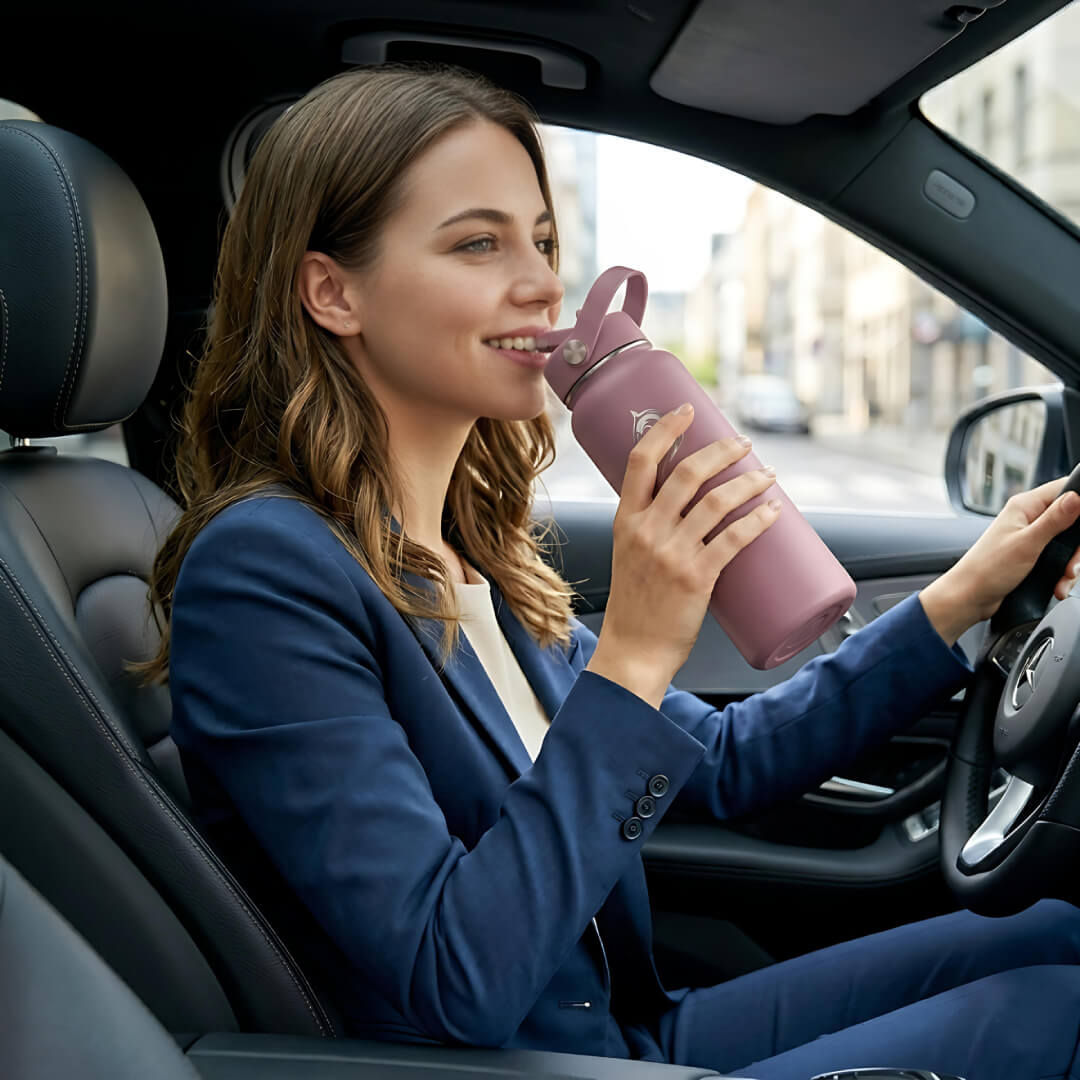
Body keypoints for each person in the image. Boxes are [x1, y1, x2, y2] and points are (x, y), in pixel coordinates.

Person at [142, 63, 1080, 1080]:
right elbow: (456, 976)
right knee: (1049, 1012)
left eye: (542, 239)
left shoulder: (469, 553)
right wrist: (632, 651)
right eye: (478, 242)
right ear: (333, 291)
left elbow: (719, 760)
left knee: (1052, 935)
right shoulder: (262, 573)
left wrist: (961, 603)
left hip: (623, 1034)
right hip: (517, 1064)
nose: (545, 281)